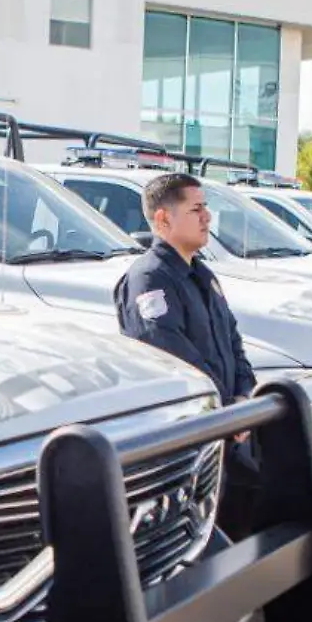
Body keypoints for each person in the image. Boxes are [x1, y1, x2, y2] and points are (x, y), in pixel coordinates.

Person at [116, 172, 259, 529]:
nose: (207, 217)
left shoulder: (202, 274)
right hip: (189, 447)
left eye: (205, 208)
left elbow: (233, 341)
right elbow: (172, 359)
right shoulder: (149, 280)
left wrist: (243, 396)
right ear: (163, 219)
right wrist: (225, 410)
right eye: (196, 209)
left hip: (226, 431)